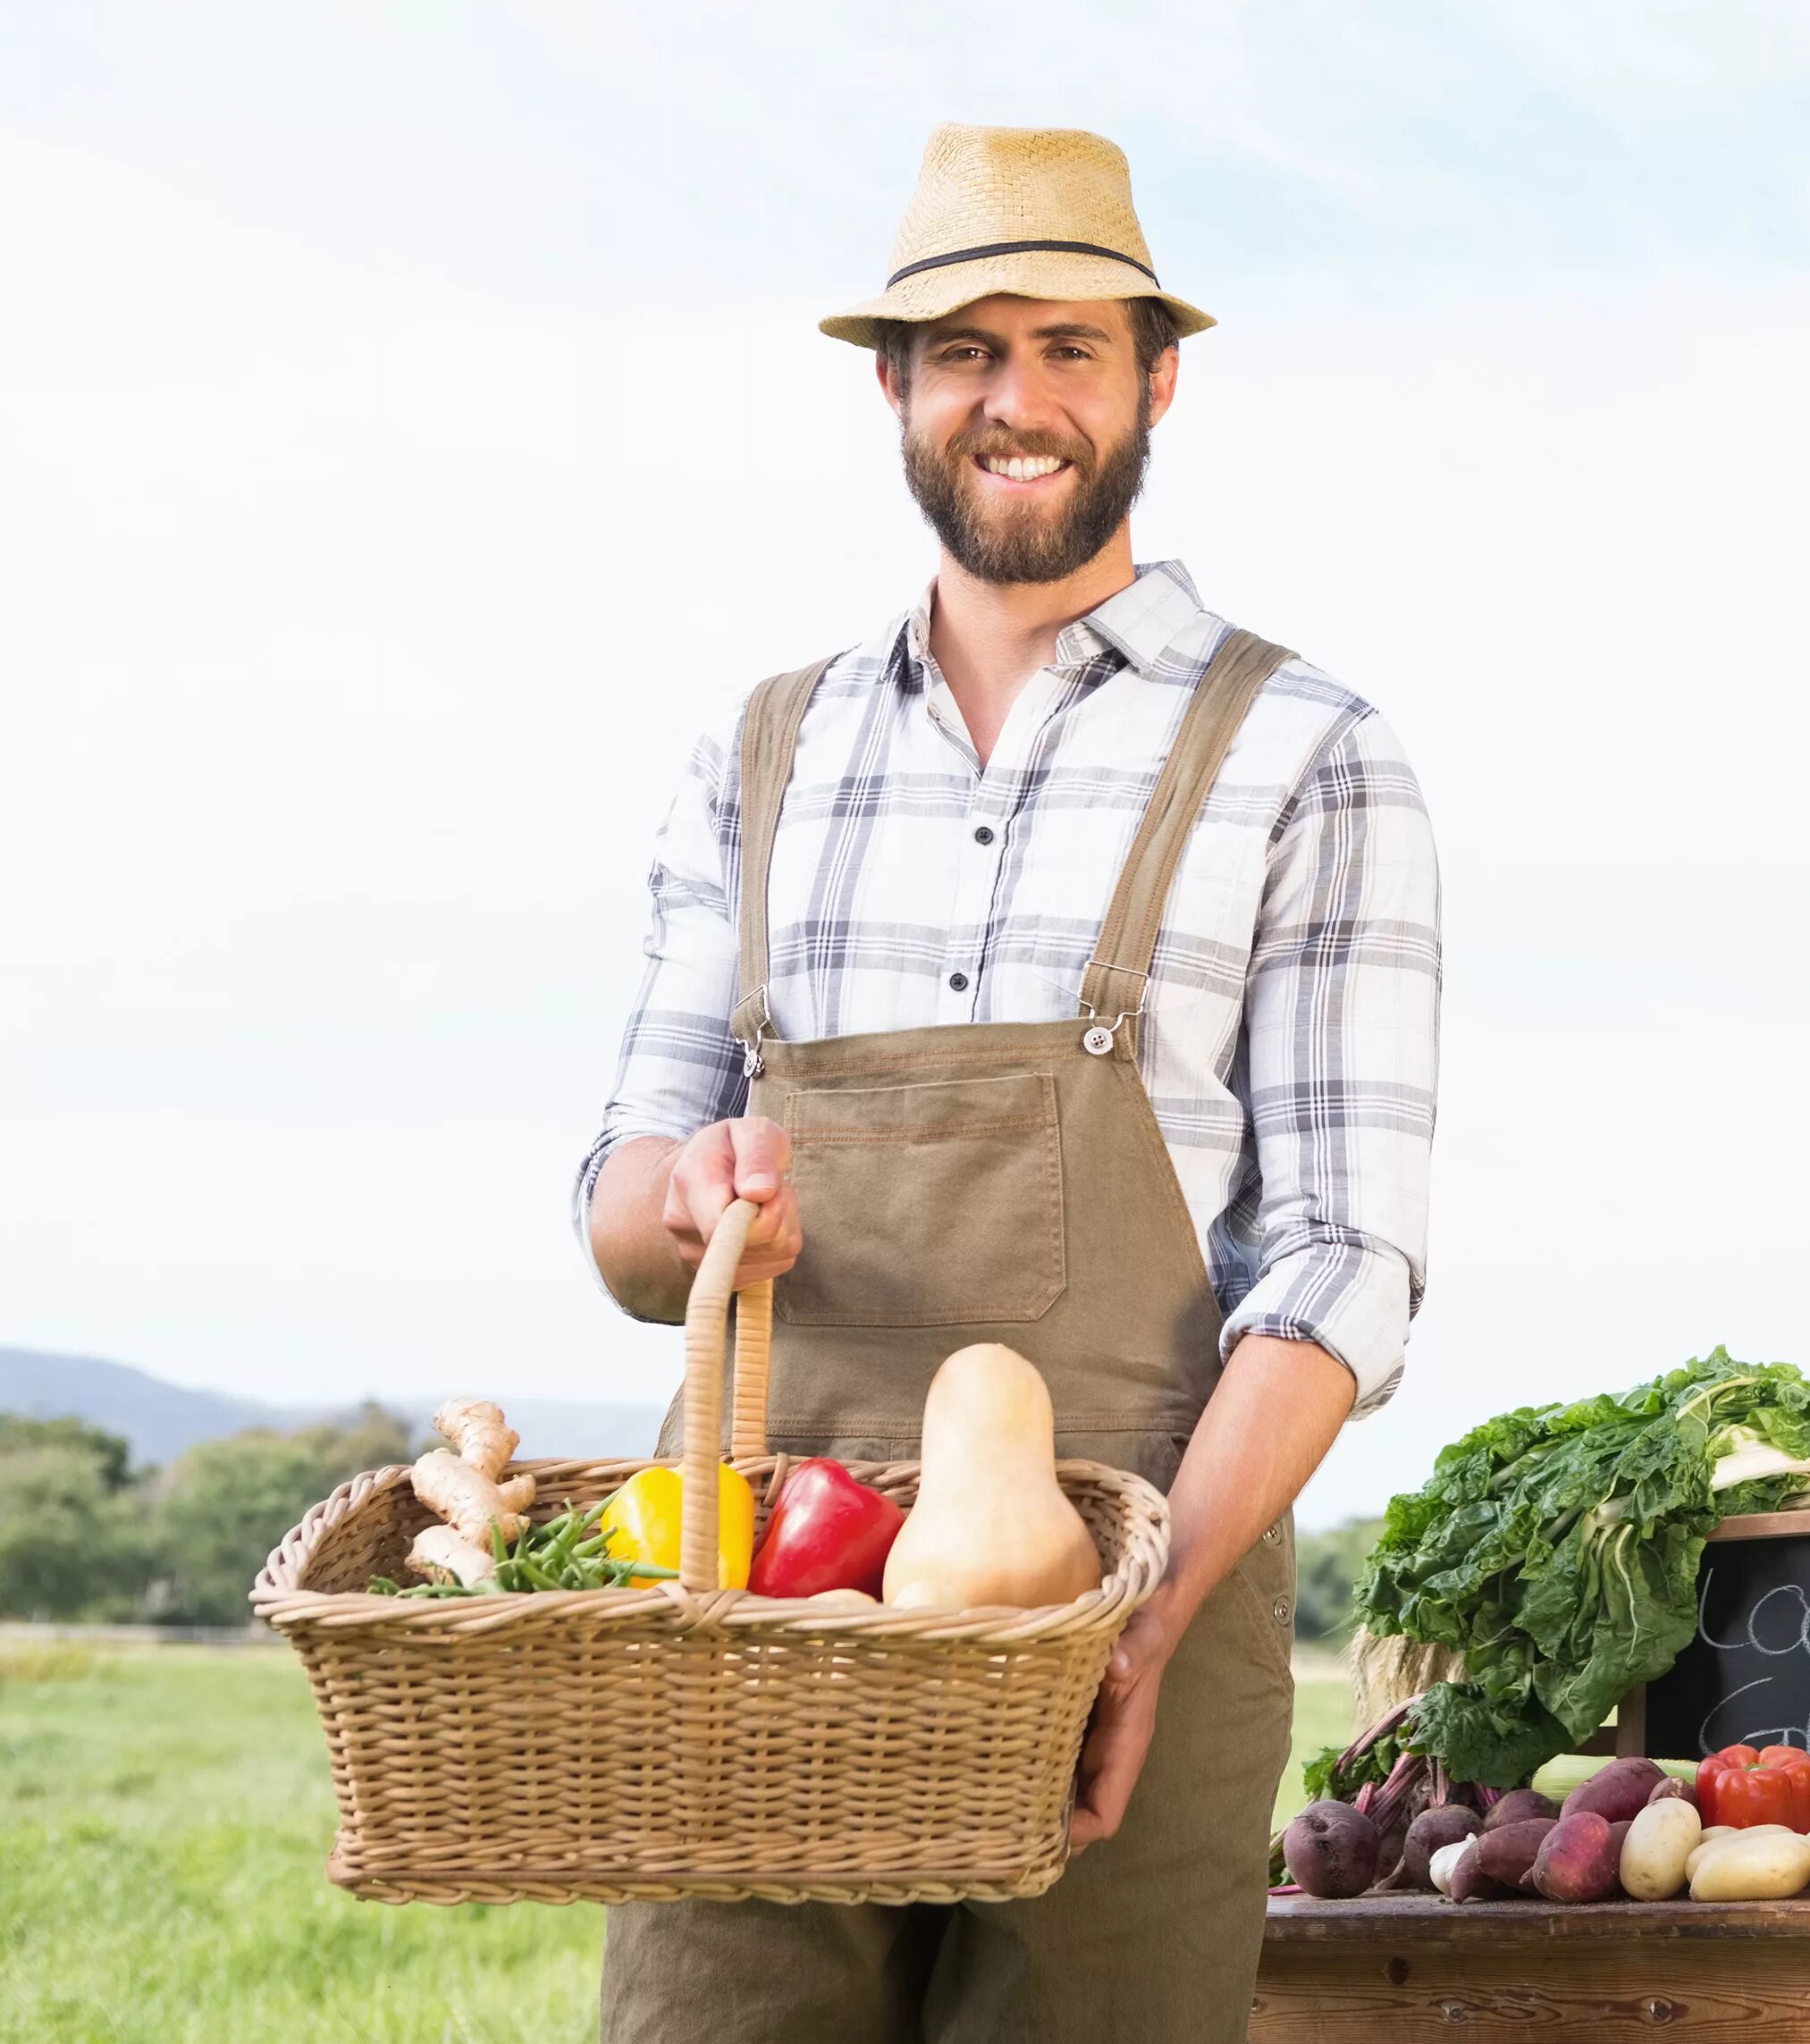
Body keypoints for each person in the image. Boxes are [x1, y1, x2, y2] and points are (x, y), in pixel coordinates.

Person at [576, 122, 1441, 2044]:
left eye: (1070, 345)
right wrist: (691, 1195)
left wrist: (1142, 1618)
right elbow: (623, 1207)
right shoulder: (760, 752)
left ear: (1156, 381)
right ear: (894, 384)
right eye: (967, 347)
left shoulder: (1306, 752)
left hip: (1138, 1572)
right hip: (758, 1593)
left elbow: (1348, 1249)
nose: (1018, 397)